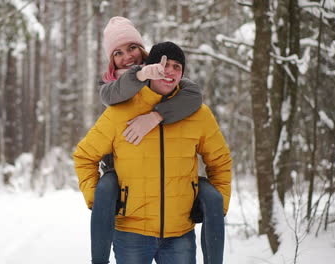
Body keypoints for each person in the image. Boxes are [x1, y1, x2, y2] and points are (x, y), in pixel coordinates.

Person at [74, 41, 232, 264]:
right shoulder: (121, 110)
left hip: (180, 234)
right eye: (164, 64)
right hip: (132, 233)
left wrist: (218, 205)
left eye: (177, 67)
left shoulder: (199, 114)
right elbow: (84, 156)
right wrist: (101, 201)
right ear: (149, 67)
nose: (170, 72)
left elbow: (220, 162)